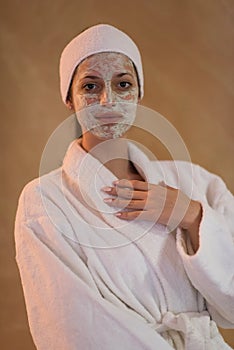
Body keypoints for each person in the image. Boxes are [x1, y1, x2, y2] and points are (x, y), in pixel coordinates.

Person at [15, 24, 234, 350]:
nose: (108, 100)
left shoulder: (196, 182)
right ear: (69, 100)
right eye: (90, 86)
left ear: (139, 94)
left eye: (124, 84)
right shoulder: (44, 202)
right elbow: (72, 326)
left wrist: (192, 216)